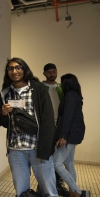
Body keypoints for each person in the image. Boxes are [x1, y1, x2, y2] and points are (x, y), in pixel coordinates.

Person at [0, 58, 58, 197]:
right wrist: (3, 114)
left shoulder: (38, 88)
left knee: (49, 191)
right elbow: (4, 123)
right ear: (7, 72)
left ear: (24, 69)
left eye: (18, 67)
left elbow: (48, 120)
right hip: (16, 150)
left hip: (38, 148)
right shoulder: (4, 93)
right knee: (22, 192)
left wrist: (46, 148)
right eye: (11, 68)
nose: (15, 71)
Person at [53, 74, 89, 197]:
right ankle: (72, 191)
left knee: (56, 164)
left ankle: (76, 191)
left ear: (67, 83)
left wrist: (63, 135)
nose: (61, 85)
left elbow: (68, 116)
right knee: (69, 163)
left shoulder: (70, 95)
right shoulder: (75, 95)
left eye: (62, 83)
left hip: (69, 134)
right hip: (75, 133)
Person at [41, 63, 68, 196]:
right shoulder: (40, 87)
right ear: (44, 74)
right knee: (46, 156)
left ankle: (59, 183)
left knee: (58, 158)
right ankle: (44, 184)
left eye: (54, 71)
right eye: (49, 72)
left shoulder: (61, 88)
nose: (52, 74)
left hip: (59, 126)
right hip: (45, 126)